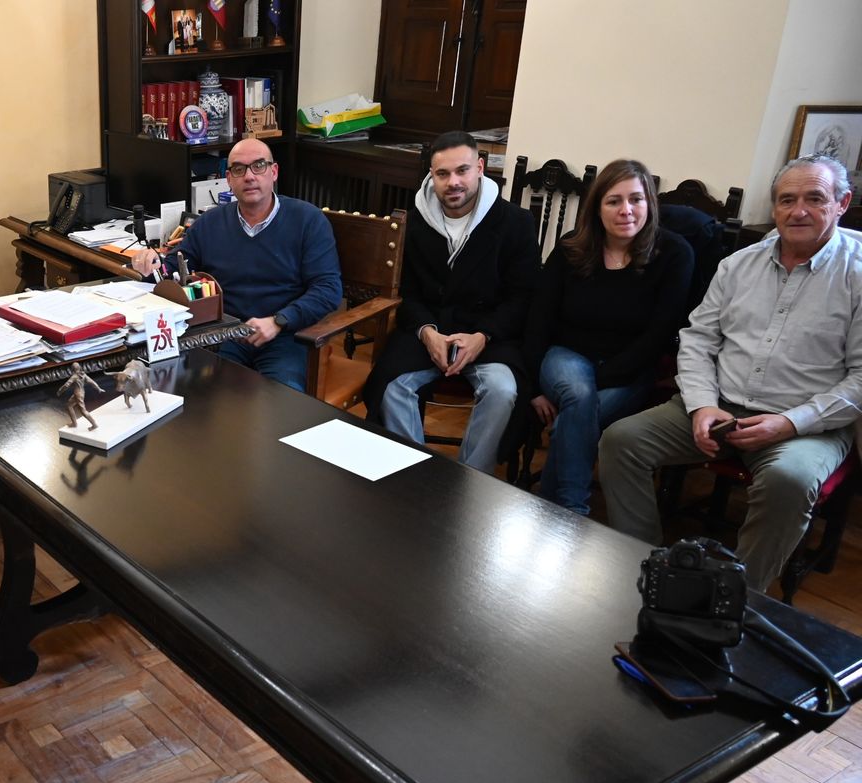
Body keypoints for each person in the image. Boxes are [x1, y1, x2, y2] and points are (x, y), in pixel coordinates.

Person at [599, 154, 861, 592]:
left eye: (815, 199)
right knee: (621, 441)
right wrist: (702, 406)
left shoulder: (856, 274)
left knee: (789, 481)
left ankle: (735, 598)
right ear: (774, 206)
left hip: (805, 424)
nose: (798, 211)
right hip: (718, 407)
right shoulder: (738, 265)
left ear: (842, 203)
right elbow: (699, 339)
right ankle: (644, 566)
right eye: (787, 200)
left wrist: (788, 423)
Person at [362, 131, 540, 472]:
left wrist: (482, 336)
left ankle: (471, 480)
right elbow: (406, 293)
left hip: (489, 335)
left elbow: (522, 297)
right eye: (442, 174)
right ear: (431, 174)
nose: (453, 182)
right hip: (430, 330)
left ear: (480, 168)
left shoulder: (515, 222)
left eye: (462, 171)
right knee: (390, 386)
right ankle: (415, 478)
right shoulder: (413, 223)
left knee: (503, 391)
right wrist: (427, 333)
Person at [523, 160, 695, 514]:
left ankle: (547, 512)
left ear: (650, 203)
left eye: (636, 199)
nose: (626, 210)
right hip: (566, 356)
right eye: (613, 201)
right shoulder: (572, 247)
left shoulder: (675, 254)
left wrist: (594, 384)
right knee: (579, 394)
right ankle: (573, 511)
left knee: (575, 413)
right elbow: (539, 317)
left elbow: (660, 333)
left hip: (631, 367)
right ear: (597, 207)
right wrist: (535, 387)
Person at [130, 138, 342, 392]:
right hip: (224, 333)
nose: (250, 176)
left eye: (259, 166)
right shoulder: (210, 223)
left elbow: (328, 289)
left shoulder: (308, 220)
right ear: (229, 179)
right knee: (191, 392)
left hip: (287, 335)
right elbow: (176, 268)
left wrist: (279, 321)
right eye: (239, 169)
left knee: (281, 402)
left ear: (274, 172)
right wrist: (151, 266)